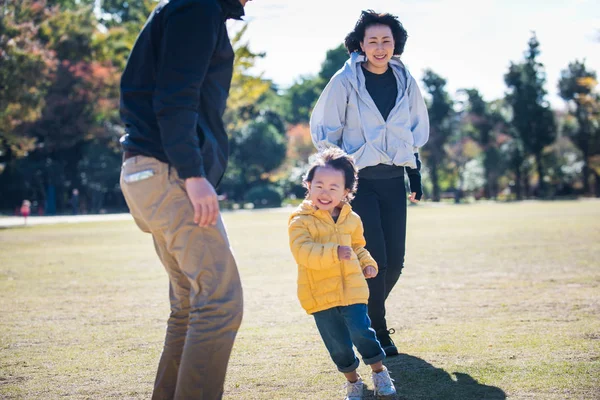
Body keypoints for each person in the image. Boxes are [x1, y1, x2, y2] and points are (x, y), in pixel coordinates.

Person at [118, 0, 252, 398]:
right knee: (219, 302)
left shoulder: (190, 8)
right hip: (169, 173)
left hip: (147, 172)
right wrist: (193, 174)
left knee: (191, 305)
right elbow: (176, 96)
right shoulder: (199, 7)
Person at [310, 10, 430, 356]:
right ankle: (377, 329)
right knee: (374, 257)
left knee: (396, 262)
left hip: (393, 178)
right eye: (373, 41)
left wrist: (414, 170)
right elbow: (325, 131)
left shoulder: (405, 80)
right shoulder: (344, 82)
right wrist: (337, 179)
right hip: (359, 185)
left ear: (396, 45)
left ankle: (357, 315)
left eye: (386, 41)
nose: (380, 48)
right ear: (360, 45)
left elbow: (411, 128)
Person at [288, 148, 396, 400]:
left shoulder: (352, 219)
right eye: (319, 185)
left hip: (352, 289)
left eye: (334, 187)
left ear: (346, 191)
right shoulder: (299, 220)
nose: (325, 193)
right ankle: (353, 381)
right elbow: (302, 252)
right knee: (337, 344)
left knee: (362, 331)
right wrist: (334, 251)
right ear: (308, 185)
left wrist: (367, 262)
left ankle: (379, 372)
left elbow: (358, 246)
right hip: (319, 294)